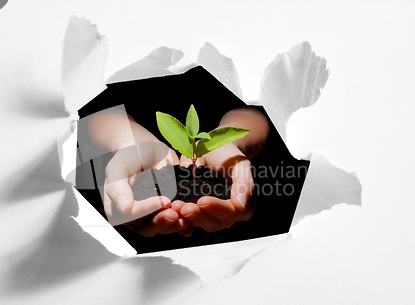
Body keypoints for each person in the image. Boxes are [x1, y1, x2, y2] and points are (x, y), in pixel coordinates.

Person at [76, 66, 308, 253]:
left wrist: (232, 144)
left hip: (252, 232)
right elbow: (86, 105)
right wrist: (128, 140)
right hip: (125, 244)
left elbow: (261, 105)